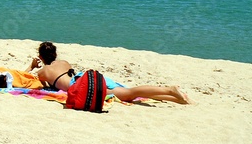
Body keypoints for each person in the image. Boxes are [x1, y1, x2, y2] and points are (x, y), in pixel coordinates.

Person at [29, 41, 189, 104]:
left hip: (83, 86)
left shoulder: (44, 71)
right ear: (55, 54)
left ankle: (170, 90)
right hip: (88, 77)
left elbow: (26, 79)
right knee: (130, 92)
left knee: (130, 93)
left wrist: (31, 66)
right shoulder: (64, 63)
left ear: (41, 57)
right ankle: (177, 98)